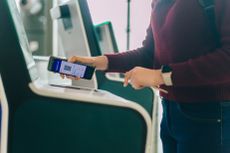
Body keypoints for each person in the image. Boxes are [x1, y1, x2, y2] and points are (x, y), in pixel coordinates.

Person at [62, 0, 230, 153]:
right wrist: (98, 62)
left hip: (210, 115)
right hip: (171, 112)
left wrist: (160, 76)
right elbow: (150, 54)